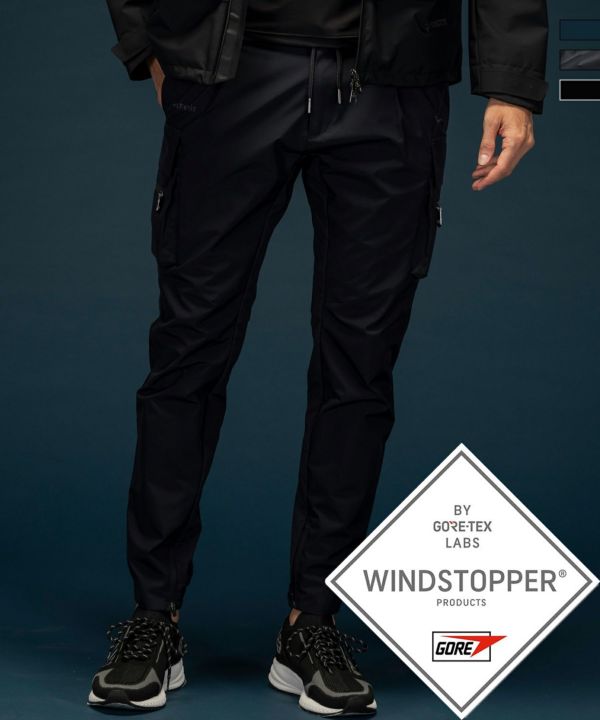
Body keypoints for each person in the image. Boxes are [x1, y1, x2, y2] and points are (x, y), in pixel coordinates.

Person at [89, 1, 548, 715]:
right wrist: (149, 43)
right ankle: (154, 616)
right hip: (229, 68)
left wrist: (513, 83)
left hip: (391, 83)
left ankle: (313, 622)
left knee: (359, 367)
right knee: (187, 353)